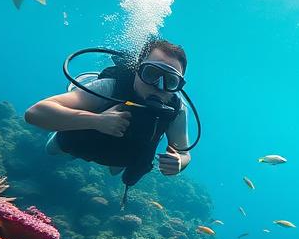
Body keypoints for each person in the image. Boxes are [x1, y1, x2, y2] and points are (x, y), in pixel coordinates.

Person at [25, 38, 191, 183]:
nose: (158, 86)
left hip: (123, 155)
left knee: (116, 171)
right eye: (151, 73)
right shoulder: (108, 88)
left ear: (178, 85)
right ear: (137, 69)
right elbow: (35, 113)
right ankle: (63, 132)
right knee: (53, 151)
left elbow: (183, 152)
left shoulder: (176, 110)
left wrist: (179, 162)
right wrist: (96, 121)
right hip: (84, 141)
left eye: (170, 80)